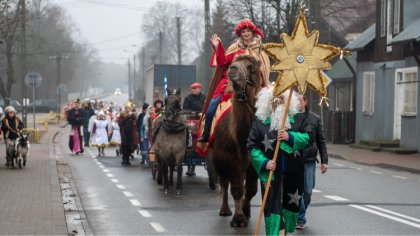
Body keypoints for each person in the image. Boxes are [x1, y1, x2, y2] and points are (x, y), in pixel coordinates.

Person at [247, 88, 313, 235]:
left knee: (290, 206)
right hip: (270, 174)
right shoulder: (260, 122)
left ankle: (284, 228)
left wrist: (290, 137)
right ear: (267, 101)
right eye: (275, 99)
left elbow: (309, 138)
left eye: (282, 98)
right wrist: (264, 163)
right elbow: (251, 147)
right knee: (272, 206)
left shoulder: (299, 118)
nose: (279, 102)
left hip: (293, 173)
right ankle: (276, 232)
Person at [198, 19, 271, 142]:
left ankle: (270, 136)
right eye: (243, 32)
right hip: (230, 84)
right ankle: (206, 133)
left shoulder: (260, 51)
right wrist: (217, 47)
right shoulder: (234, 48)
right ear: (240, 34)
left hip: (253, 86)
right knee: (212, 106)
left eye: (248, 31)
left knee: (269, 107)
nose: (246, 34)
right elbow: (222, 63)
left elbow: (263, 71)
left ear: (252, 33)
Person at [296, 94, 328, 230]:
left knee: (308, 191)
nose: (298, 103)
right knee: (297, 191)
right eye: (296, 100)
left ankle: (301, 212)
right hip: (294, 159)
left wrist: (324, 161)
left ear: (305, 102)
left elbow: (321, 141)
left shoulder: (315, 118)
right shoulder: (290, 117)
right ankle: (300, 218)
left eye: (300, 100)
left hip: (309, 159)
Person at [183, 82, 206, 176]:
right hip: (191, 120)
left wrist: (203, 113)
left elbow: (207, 107)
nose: (193, 90)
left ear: (199, 89)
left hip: (202, 120)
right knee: (189, 136)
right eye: (192, 88)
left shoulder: (204, 97)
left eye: (195, 88)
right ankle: (189, 166)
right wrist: (195, 113)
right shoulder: (188, 98)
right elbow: (185, 109)